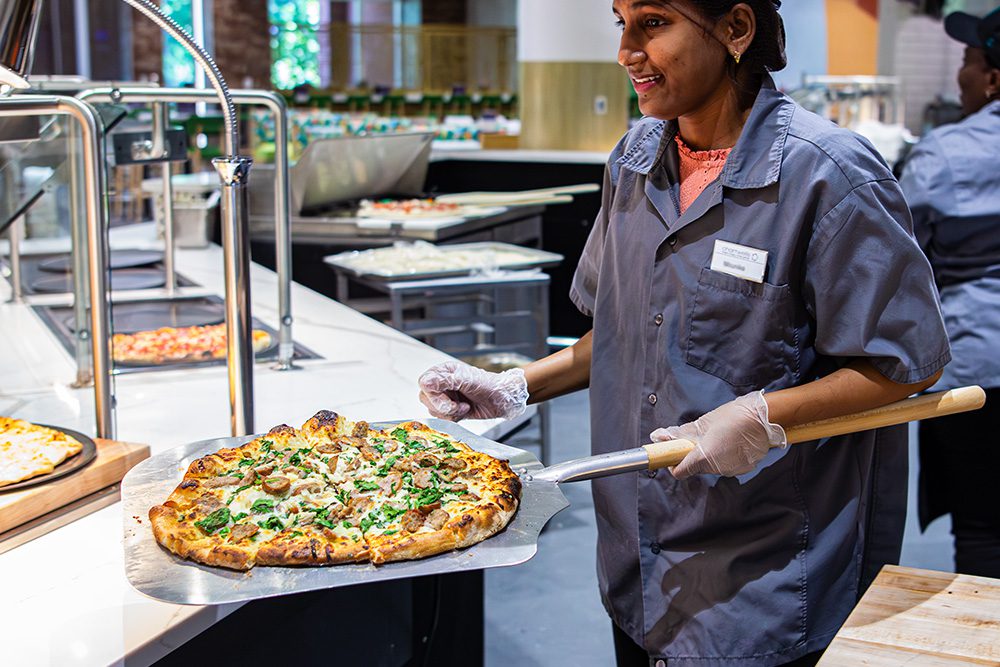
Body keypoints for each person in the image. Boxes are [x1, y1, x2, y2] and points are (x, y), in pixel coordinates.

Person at [419, 1, 951, 665]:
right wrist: (515, 384)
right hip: (639, 563)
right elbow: (619, 331)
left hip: (763, 576)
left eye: (653, 23)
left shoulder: (827, 173)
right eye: (622, 23)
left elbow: (907, 364)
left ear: (735, 29)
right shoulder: (635, 159)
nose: (626, 53)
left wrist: (763, 414)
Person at [899, 6, 1000, 579]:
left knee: (983, 524)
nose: (958, 74)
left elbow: (899, 259)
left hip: (978, 369)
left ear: (992, 78)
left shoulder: (945, 153)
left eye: (968, 60)